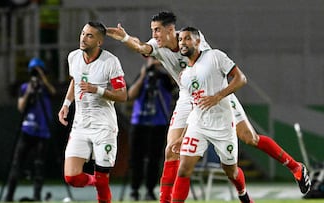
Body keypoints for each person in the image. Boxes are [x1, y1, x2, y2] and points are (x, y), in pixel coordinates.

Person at [106, 11, 311, 202]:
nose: (154, 34)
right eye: (152, 31)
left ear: (171, 30)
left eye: (157, 30)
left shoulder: (192, 40)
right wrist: (125, 38)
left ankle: (296, 168)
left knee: (250, 138)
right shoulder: (157, 45)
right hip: (188, 96)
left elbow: (209, 66)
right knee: (171, 150)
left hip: (215, 90)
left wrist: (217, 95)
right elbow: (142, 46)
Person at [172, 26, 252, 203]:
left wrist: (217, 97)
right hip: (198, 125)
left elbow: (241, 78)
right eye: (180, 40)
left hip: (223, 124)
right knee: (183, 168)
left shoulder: (214, 56)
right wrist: (183, 136)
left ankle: (243, 194)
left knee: (231, 171)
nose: (182, 43)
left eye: (187, 39)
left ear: (198, 41)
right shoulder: (184, 76)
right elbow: (195, 107)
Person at [58, 21, 127, 203]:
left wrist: (98, 90)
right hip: (80, 125)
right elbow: (75, 80)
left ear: (99, 42)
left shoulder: (110, 62)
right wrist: (66, 104)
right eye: (82, 33)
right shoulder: (73, 57)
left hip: (103, 127)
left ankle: (101, 183)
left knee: (103, 182)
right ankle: (98, 181)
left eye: (89, 35)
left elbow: (122, 95)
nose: (83, 38)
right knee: (71, 177)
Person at [4, 57, 56, 202]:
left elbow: (53, 93)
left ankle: (37, 196)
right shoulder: (25, 87)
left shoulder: (45, 87)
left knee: (39, 164)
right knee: (17, 163)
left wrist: (43, 80)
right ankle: (9, 196)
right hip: (27, 130)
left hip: (43, 132)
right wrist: (29, 92)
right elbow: (21, 107)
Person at [127, 57, 176, 201]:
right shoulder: (143, 75)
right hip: (139, 122)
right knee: (136, 158)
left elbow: (174, 84)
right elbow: (131, 94)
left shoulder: (164, 78)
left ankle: (150, 189)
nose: (154, 61)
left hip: (158, 123)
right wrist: (143, 74)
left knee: (154, 159)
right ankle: (135, 189)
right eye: (152, 58)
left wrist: (164, 66)